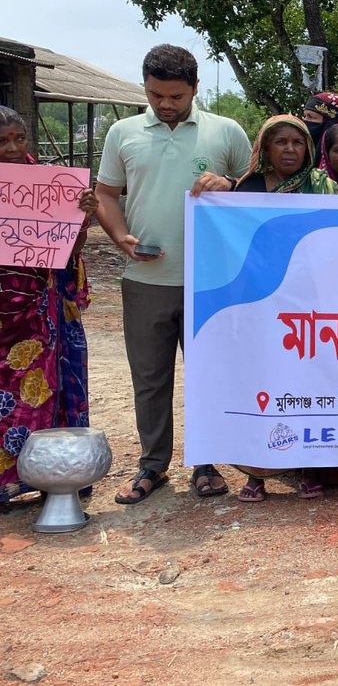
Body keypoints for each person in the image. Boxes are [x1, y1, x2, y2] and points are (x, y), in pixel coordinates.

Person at [96, 44, 251, 504]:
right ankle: (152, 466)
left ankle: (205, 463)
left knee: (208, 374)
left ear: (195, 89)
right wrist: (120, 235)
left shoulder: (225, 132)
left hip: (214, 282)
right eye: (156, 94)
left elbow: (262, 189)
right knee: (149, 376)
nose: (165, 104)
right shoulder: (123, 133)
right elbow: (105, 195)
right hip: (145, 280)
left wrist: (231, 185)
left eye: (176, 96)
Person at [233, 116, 338, 502]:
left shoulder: (323, 187)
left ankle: (308, 467)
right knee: (260, 384)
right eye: (281, 142)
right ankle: (256, 473)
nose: (290, 149)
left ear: (308, 148)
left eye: (298, 142)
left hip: (309, 304)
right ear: (265, 148)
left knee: (306, 384)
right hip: (259, 303)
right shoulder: (246, 189)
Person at [0, 106, 97, 503]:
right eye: (2, 141)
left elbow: (67, 251)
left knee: (49, 390)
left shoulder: (50, 187)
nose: (11, 148)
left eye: (19, 139)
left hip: (43, 314)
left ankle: (53, 477)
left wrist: (79, 219)